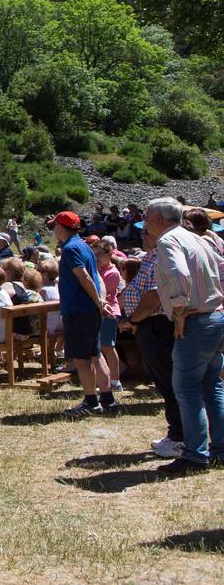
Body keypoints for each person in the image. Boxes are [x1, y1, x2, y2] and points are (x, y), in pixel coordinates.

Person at [145, 197, 224, 474]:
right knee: (212, 385)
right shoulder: (199, 238)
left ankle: (195, 455)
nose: (144, 223)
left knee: (187, 390)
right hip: (214, 316)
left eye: (146, 217)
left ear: (157, 219)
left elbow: (178, 273)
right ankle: (220, 450)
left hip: (194, 320)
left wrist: (179, 310)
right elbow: (220, 269)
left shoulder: (169, 241)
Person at [119, 236, 184, 459]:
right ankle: (177, 433)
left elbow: (155, 296)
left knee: (169, 381)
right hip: (152, 323)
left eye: (147, 230)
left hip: (156, 323)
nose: (143, 235)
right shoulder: (155, 253)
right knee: (166, 381)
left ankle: (179, 437)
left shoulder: (162, 253)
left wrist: (134, 320)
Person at [51, 212, 115, 420]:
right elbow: (94, 276)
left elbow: (84, 276)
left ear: (61, 228)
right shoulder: (85, 246)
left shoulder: (70, 249)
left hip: (79, 310)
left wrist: (98, 302)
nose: (53, 231)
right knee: (95, 354)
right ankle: (107, 399)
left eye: (54, 227)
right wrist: (100, 302)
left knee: (81, 359)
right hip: (88, 310)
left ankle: (91, 401)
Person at [91, 237, 124, 391]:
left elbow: (102, 291)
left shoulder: (113, 273)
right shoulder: (97, 269)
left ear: (109, 254)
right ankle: (103, 379)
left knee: (108, 346)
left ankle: (115, 380)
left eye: (99, 255)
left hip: (109, 312)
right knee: (99, 346)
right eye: (94, 254)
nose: (96, 258)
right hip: (97, 312)